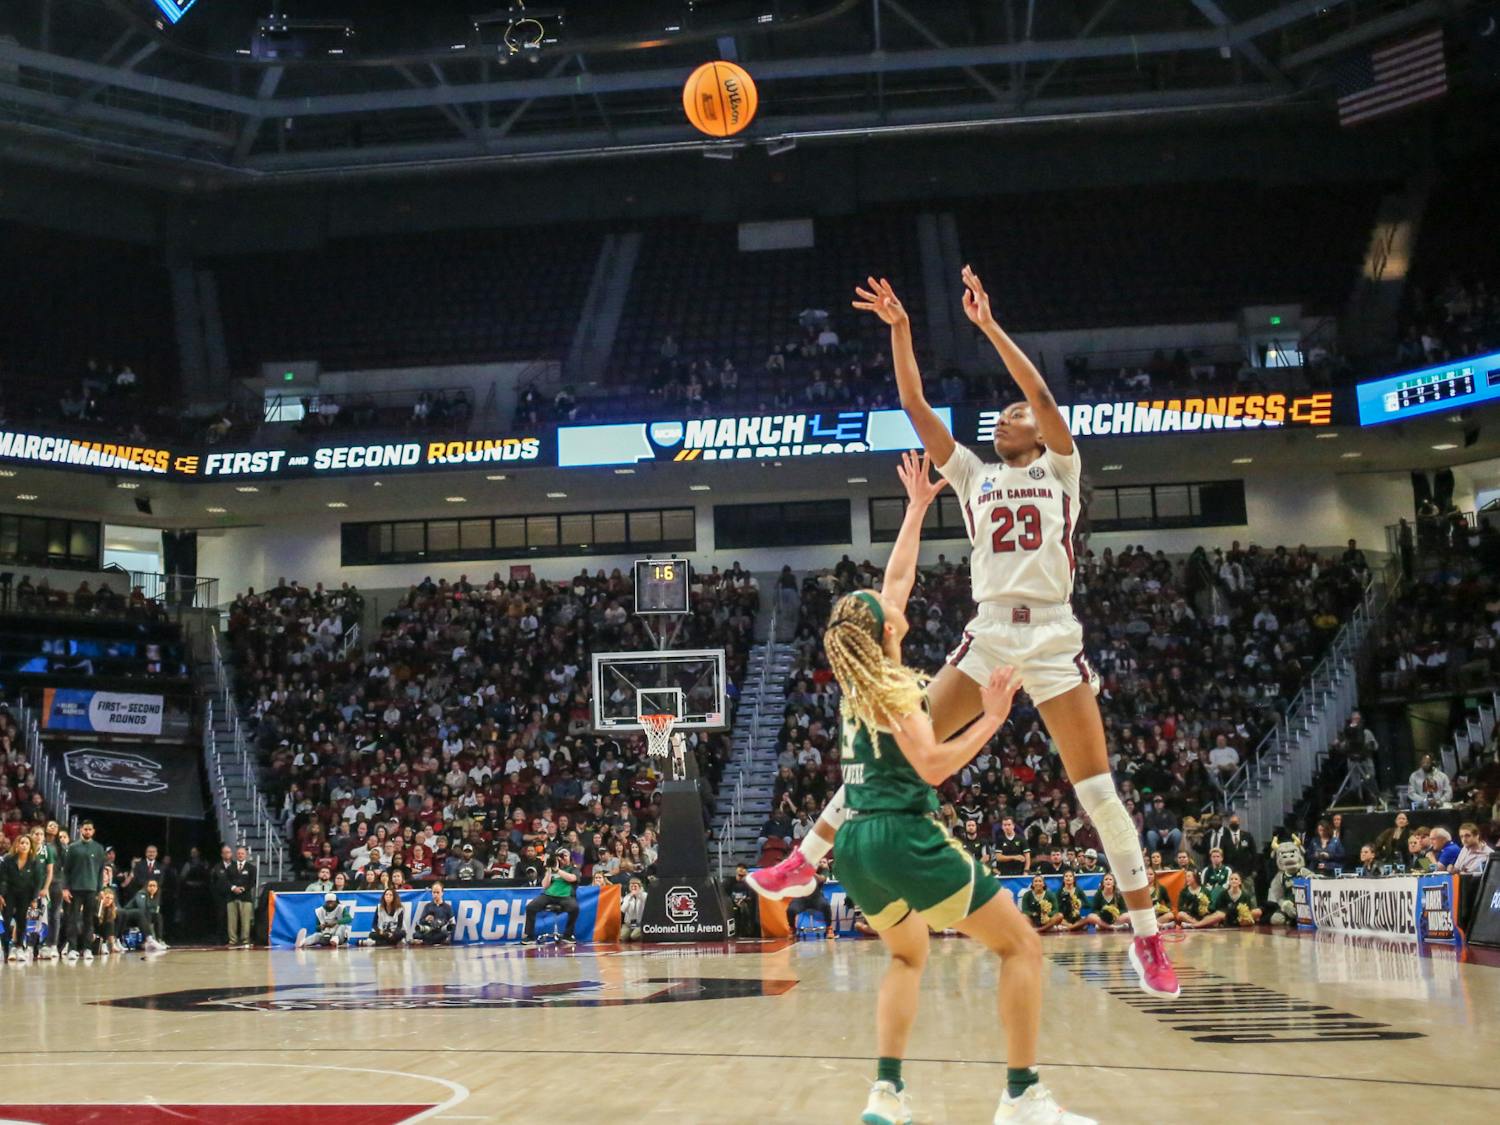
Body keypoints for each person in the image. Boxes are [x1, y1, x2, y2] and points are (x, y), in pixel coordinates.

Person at [753, 269, 1178, 998]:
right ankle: (805, 859)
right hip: (987, 636)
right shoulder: (974, 474)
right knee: (893, 744)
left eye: (1011, 413)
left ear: (1036, 432)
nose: (1002, 417)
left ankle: (1148, 940)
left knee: (1101, 795)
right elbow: (915, 404)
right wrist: (901, 328)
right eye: (1001, 412)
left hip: (1051, 638)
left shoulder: (1064, 470)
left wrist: (986, 326)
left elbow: (1043, 397)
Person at [807, 451, 1092, 1125]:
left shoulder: (860, 677)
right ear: (883, 630)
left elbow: (895, 581)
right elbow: (933, 764)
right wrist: (992, 718)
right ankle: (1022, 1095)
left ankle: (886, 1093)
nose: (893, 598)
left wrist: (914, 510)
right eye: (885, 607)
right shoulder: (899, 686)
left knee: (909, 954)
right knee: (1020, 944)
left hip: (854, 845)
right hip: (903, 834)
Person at [60, 819, 106, 962]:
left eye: (89, 829)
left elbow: (100, 871)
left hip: (91, 889)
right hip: (75, 889)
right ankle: (72, 948)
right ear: (81, 830)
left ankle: (87, 948)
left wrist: (101, 889)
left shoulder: (98, 848)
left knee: (88, 920)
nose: (87, 831)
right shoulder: (73, 847)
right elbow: (66, 871)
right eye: (85, 829)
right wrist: (65, 888)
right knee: (72, 919)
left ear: (93, 831)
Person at [522, 847, 579, 946]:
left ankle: (568, 935)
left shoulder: (573, 869)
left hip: (565, 896)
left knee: (574, 908)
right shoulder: (553, 869)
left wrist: (558, 870)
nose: (563, 858)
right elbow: (544, 885)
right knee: (530, 907)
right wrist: (549, 870)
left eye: (565, 856)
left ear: (570, 857)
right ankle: (530, 936)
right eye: (561, 856)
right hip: (548, 895)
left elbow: (572, 878)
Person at [0, 833, 44, 962]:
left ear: (31, 847)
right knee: (6, 921)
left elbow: (38, 881)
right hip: (9, 894)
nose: (24, 845)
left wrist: (35, 898)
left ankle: (19, 947)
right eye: (21, 843)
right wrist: (1, 895)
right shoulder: (7, 859)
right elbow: (2, 879)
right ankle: (7, 949)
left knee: (22, 921)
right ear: (17, 845)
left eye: (27, 843)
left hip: (26, 894)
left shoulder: (34, 862)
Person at [122, 878, 169, 950]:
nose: (152, 888)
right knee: (147, 914)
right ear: (146, 887)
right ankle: (148, 940)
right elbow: (142, 908)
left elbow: (156, 910)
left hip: (141, 917)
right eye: (150, 886)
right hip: (128, 915)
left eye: (154, 886)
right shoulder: (141, 893)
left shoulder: (156, 896)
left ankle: (159, 940)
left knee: (158, 916)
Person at [225, 846, 256, 948]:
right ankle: (232, 940)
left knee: (246, 920)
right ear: (236, 855)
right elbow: (226, 881)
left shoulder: (251, 868)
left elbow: (252, 882)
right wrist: (233, 888)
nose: (240, 855)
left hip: (245, 897)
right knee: (232, 921)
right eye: (238, 853)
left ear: (246, 855)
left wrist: (243, 888)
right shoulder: (230, 868)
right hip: (232, 897)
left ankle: (245, 940)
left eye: (242, 853)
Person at [621, 876, 648, 941]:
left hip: (640, 923)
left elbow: (645, 904)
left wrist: (639, 894)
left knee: (634, 936)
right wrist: (630, 897)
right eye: (631, 886)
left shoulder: (644, 895)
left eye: (635, 886)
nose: (633, 888)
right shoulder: (627, 897)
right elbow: (622, 909)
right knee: (622, 937)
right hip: (628, 924)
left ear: (640, 887)